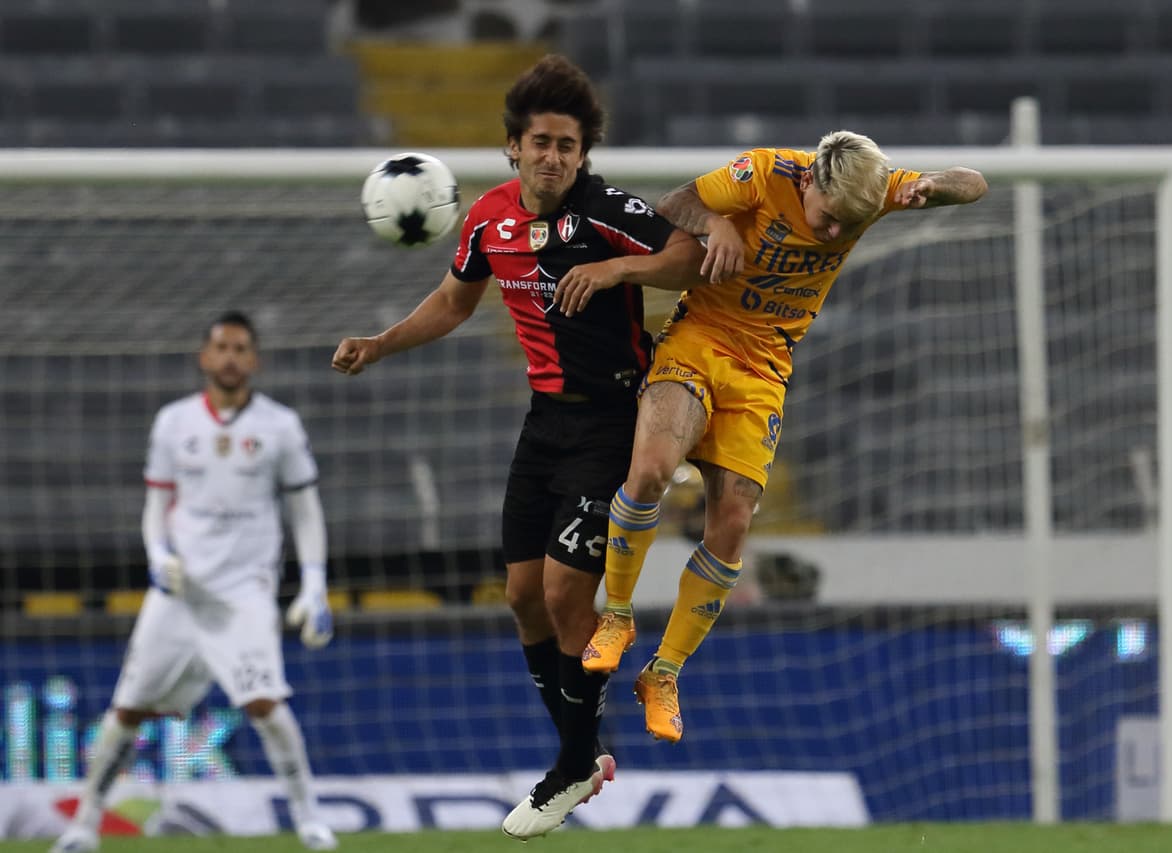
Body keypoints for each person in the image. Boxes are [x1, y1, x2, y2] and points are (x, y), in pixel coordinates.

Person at [330, 55, 704, 840]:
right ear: (513, 146)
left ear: (583, 153)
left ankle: (571, 764)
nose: (553, 158)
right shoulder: (488, 218)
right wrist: (380, 342)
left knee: (567, 595)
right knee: (522, 596)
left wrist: (616, 268)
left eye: (568, 146)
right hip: (543, 426)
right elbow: (453, 301)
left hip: (612, 422)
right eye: (541, 143)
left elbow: (688, 257)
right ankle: (582, 753)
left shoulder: (606, 210)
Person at [581, 131, 989, 743]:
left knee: (733, 523)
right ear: (809, 182)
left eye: (848, 225)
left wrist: (933, 184)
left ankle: (663, 672)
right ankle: (616, 615)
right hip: (701, 337)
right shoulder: (762, 174)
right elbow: (673, 203)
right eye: (829, 218)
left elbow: (974, 182)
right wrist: (716, 223)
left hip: (764, 369)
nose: (835, 233)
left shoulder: (873, 191)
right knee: (652, 471)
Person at [51, 311, 338, 852]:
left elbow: (305, 510)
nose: (230, 357)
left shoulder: (279, 426)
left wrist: (314, 584)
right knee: (127, 710)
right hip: (180, 593)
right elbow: (156, 505)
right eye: (221, 348)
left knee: (266, 706)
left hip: (244, 592)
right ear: (205, 357)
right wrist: (158, 554)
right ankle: (83, 826)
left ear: (254, 360)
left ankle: (310, 821)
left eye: (240, 348)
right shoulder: (174, 423)